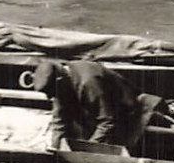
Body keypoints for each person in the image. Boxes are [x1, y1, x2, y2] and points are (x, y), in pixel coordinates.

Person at [30, 59, 162, 153]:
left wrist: (88, 149)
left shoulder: (89, 83)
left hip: (129, 112)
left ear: (59, 81)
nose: (50, 98)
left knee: (116, 148)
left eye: (52, 93)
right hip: (100, 110)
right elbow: (59, 120)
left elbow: (108, 121)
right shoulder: (64, 77)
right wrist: (55, 149)